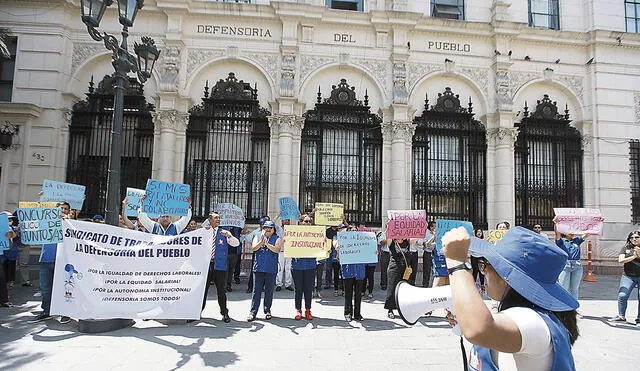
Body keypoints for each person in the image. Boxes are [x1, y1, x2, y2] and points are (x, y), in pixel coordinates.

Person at [443, 226, 580, 371]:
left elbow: (479, 330)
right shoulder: (528, 317)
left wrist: (456, 264)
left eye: (485, 265)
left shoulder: (532, 322)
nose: (483, 273)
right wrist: (466, 317)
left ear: (506, 276)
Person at [31, 201, 71, 324]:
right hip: (46, 259)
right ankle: (46, 311)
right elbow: (34, 220)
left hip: (63, 261)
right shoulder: (46, 223)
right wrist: (42, 200)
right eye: (61, 208)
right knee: (45, 288)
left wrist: (68, 221)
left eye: (65, 209)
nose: (63, 210)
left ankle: (66, 313)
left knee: (64, 288)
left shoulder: (71, 224)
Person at [200, 212, 239, 323]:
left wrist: (229, 235)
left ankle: (224, 313)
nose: (218, 220)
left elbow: (236, 243)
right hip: (206, 266)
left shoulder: (224, 232)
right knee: (203, 290)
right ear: (210, 220)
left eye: (219, 218)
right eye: (215, 218)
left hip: (220, 266)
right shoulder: (204, 232)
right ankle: (197, 312)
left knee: (221, 291)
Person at [248, 220, 282, 321]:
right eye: (265, 228)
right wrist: (261, 242)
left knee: (269, 291)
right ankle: (253, 312)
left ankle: (267, 310)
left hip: (271, 269)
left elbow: (277, 250)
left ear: (273, 230)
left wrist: (267, 244)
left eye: (270, 228)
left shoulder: (277, 238)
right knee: (256, 291)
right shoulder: (257, 236)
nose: (267, 230)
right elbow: (254, 248)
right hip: (258, 268)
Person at [610, 230, 640, 325]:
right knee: (622, 295)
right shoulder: (626, 248)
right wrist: (634, 256)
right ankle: (621, 316)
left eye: (636, 237)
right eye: (632, 237)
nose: (634, 239)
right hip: (628, 276)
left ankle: (639, 319)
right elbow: (621, 260)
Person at [553, 220, 588, 301]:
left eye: (573, 231)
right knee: (563, 287)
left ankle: (573, 309)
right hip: (565, 265)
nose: (572, 233)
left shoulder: (577, 240)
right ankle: (562, 308)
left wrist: (596, 223)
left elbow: (587, 234)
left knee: (574, 289)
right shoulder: (561, 241)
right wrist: (556, 223)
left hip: (577, 266)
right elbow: (557, 233)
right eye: (569, 231)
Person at [291, 215, 317, 320]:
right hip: (297, 265)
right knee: (298, 289)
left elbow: (323, 246)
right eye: (305, 221)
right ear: (301, 222)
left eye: (309, 221)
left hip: (310, 265)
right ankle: (298, 310)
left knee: (308, 289)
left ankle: (308, 310)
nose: (307, 223)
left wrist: (323, 242)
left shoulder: (316, 234)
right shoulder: (294, 233)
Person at [337, 235, 365, 322]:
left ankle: (357, 314)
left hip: (359, 271)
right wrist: (338, 251)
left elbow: (368, 256)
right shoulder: (343, 243)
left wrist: (373, 253)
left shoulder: (363, 244)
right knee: (348, 293)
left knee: (358, 294)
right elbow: (339, 258)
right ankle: (348, 313)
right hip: (348, 271)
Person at [384, 238, 410, 319]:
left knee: (403, 290)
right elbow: (388, 239)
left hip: (405, 269)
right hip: (394, 268)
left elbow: (416, 236)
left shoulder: (406, 242)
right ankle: (390, 309)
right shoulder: (392, 242)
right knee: (392, 289)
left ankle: (402, 309)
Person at [246, 217, 269, 293]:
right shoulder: (256, 232)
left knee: (265, 270)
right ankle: (251, 287)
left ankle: (262, 286)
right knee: (254, 270)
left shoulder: (270, 232)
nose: (263, 226)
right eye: (262, 224)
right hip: (258, 252)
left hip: (267, 252)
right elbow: (248, 239)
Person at [275, 218, 294, 292]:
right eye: (285, 220)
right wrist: (278, 215)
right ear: (282, 221)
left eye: (288, 220)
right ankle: (279, 284)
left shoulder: (292, 229)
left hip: (289, 251)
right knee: (280, 268)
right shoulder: (278, 229)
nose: (287, 221)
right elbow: (272, 223)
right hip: (281, 251)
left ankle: (288, 284)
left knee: (288, 268)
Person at [421, 221, 435, 288]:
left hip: (436, 254)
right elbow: (425, 244)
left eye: (435, 226)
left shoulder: (439, 233)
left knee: (436, 270)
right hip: (428, 254)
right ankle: (425, 285)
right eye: (432, 226)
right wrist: (433, 237)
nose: (434, 228)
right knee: (427, 270)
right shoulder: (426, 233)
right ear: (430, 227)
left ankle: (435, 284)